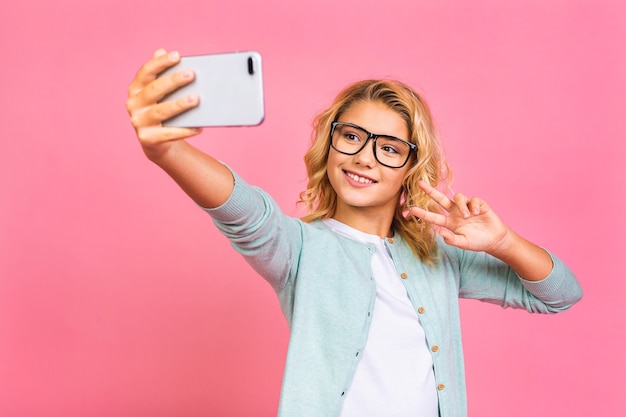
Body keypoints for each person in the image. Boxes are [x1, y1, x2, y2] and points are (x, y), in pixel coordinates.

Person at [126, 49, 583, 417]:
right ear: (330, 145)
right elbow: (244, 211)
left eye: (388, 148)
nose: (365, 157)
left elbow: (560, 293)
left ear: (410, 168)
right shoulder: (299, 249)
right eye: (351, 137)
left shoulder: (440, 258)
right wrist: (167, 152)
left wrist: (504, 243)